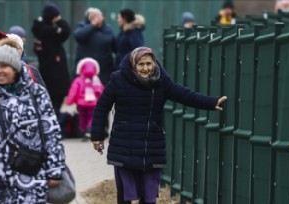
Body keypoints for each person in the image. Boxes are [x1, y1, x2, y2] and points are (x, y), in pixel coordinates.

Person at [91, 47, 227, 204]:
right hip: (124, 146)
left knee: (149, 197)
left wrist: (212, 102)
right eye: (141, 64)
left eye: (149, 63)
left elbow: (185, 95)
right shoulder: (118, 79)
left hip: (152, 146)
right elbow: (102, 107)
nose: (146, 68)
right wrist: (97, 136)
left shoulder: (161, 80)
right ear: (133, 64)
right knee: (125, 196)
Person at [0, 44, 65, 203]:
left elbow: (51, 133)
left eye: (4, 66)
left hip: (31, 177)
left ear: (15, 67)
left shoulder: (37, 94)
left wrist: (54, 169)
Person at [31, 2, 71, 119]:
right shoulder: (46, 30)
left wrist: (58, 21)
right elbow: (64, 31)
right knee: (52, 101)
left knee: (55, 102)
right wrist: (58, 23)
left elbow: (65, 31)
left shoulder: (44, 29)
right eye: (55, 17)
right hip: (51, 72)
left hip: (55, 71)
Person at [74, 7, 116, 85]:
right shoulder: (82, 26)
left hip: (104, 69)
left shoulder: (108, 29)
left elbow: (114, 46)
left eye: (100, 16)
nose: (100, 19)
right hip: (86, 69)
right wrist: (92, 25)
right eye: (96, 17)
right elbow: (79, 36)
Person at [66, 58, 104, 138]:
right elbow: (101, 91)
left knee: (82, 117)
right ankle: (89, 129)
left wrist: (69, 101)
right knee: (91, 117)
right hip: (93, 103)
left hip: (81, 104)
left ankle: (82, 130)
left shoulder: (78, 80)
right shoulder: (96, 80)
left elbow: (73, 91)